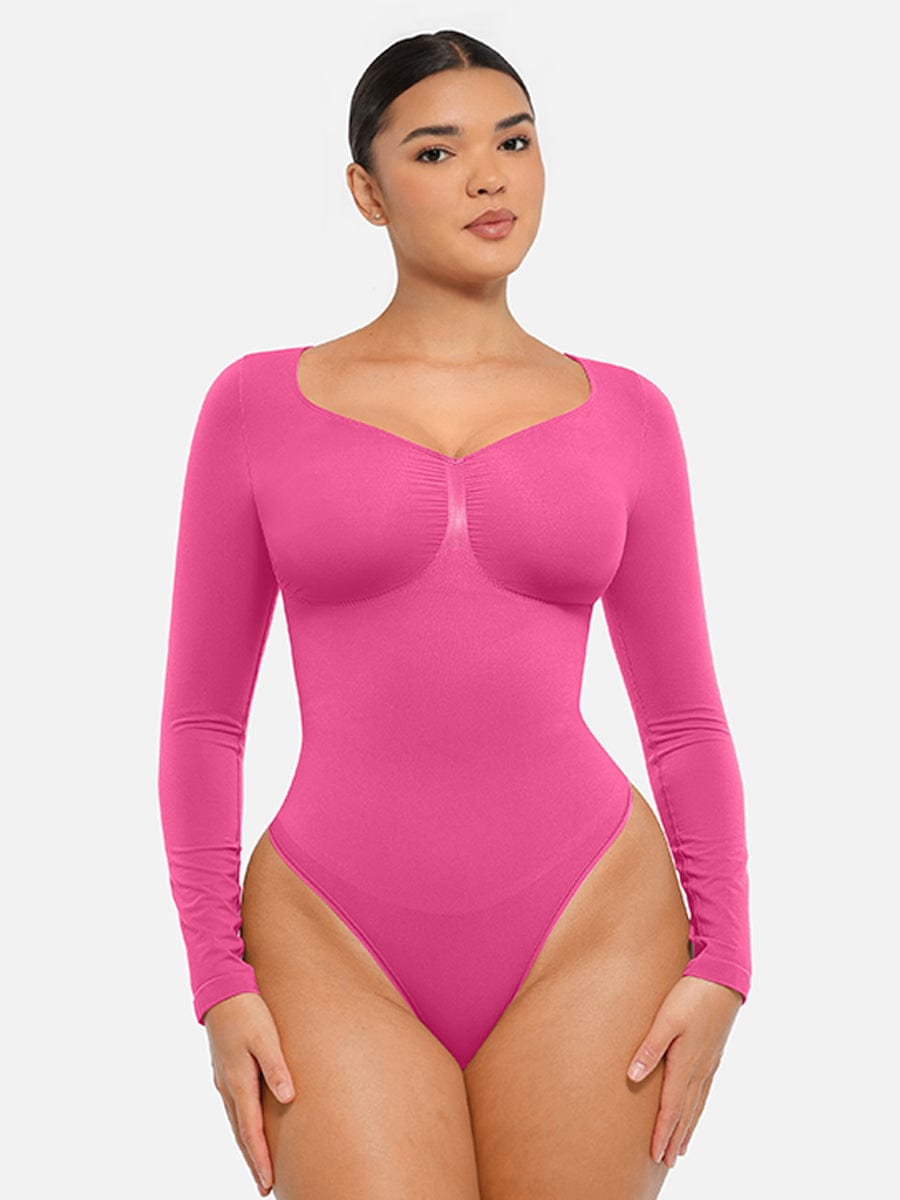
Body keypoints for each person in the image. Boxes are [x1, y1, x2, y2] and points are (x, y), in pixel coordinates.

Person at [157, 28, 752, 1200]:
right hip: (330, 934)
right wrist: (217, 979)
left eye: (514, 142)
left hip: (593, 923)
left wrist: (726, 956)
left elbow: (683, 720)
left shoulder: (630, 415)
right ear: (366, 192)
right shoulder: (254, 404)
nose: (489, 177)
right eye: (437, 152)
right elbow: (203, 724)